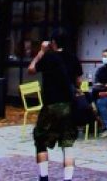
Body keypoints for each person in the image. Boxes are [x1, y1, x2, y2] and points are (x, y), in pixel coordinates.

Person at [29, 32, 82, 181]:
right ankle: (68, 178)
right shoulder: (73, 57)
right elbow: (78, 82)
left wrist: (41, 52)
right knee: (68, 144)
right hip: (68, 105)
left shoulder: (48, 57)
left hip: (50, 105)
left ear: (53, 43)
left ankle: (44, 177)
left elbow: (31, 69)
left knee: (40, 140)